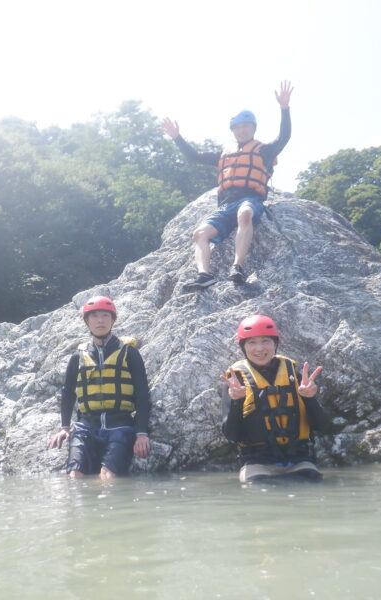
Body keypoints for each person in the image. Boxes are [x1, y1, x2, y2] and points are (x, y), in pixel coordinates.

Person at [162, 81, 293, 289]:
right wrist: (177, 137)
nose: (241, 131)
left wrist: (284, 109)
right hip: (225, 206)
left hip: (250, 199)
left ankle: (237, 267)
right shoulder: (224, 153)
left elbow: (284, 137)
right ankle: (205, 275)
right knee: (199, 234)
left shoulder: (264, 150)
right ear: (233, 130)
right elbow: (194, 156)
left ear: (253, 128)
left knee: (245, 214)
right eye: (237, 127)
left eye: (245, 126)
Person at [48, 295, 151, 479]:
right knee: (74, 475)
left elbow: (143, 393)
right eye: (94, 316)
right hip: (85, 426)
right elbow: (68, 393)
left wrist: (141, 433)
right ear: (87, 321)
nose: (100, 320)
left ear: (113, 320)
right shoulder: (77, 356)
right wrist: (65, 427)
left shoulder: (130, 353)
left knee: (108, 477)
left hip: (120, 426)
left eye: (105, 315)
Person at [220, 314, 327, 482]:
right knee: (259, 491)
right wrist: (237, 402)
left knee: (311, 483)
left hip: (299, 460)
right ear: (243, 347)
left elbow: (323, 427)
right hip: (256, 463)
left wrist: (310, 398)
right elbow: (232, 435)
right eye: (252, 342)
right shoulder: (236, 380)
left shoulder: (294, 374)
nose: (259, 349)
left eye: (265, 341)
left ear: (275, 344)